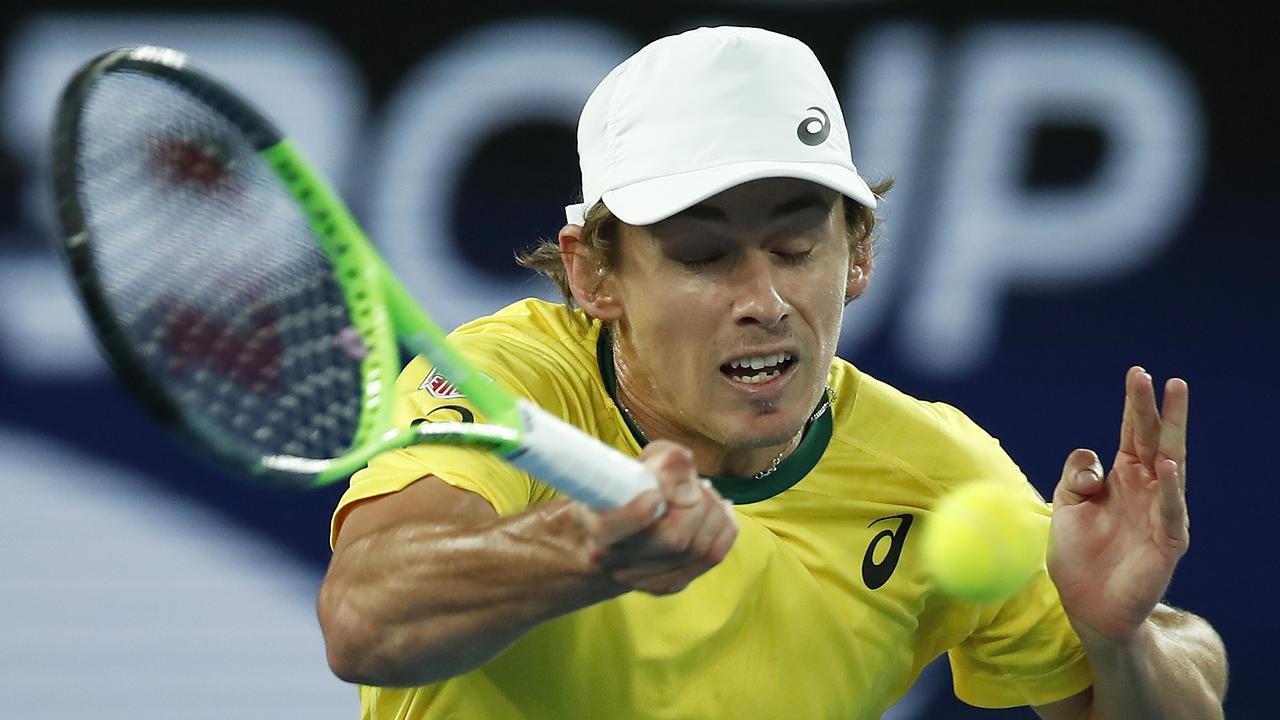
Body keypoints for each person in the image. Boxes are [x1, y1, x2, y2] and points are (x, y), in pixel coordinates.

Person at [317, 26, 1227, 719]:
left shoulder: (936, 473)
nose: (765, 299)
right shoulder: (508, 384)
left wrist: (1119, 642)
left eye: (796, 246)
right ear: (595, 273)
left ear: (858, 254)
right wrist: (585, 549)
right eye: (705, 257)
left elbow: (1164, 692)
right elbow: (364, 619)